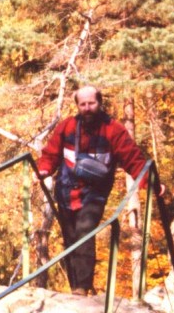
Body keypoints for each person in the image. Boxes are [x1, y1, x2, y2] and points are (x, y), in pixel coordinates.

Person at [36, 86, 161, 295]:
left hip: (95, 194)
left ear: (100, 103)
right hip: (66, 192)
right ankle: (75, 287)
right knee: (70, 238)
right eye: (82, 104)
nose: (87, 108)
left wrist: (152, 184)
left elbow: (133, 158)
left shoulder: (113, 130)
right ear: (77, 106)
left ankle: (82, 288)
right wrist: (43, 170)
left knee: (85, 231)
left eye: (91, 103)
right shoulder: (67, 127)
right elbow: (51, 153)